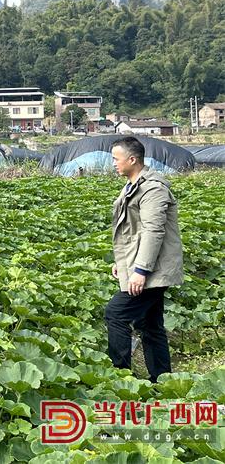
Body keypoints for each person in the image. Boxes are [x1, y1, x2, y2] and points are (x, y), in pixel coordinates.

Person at [105, 136, 183, 383]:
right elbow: (133, 231)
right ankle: (162, 381)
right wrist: (123, 263)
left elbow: (153, 231)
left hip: (153, 270)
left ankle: (121, 377)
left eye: (116, 159)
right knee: (150, 324)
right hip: (145, 266)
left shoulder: (153, 188)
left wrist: (140, 270)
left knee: (116, 313)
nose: (114, 164)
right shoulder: (133, 185)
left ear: (132, 159)